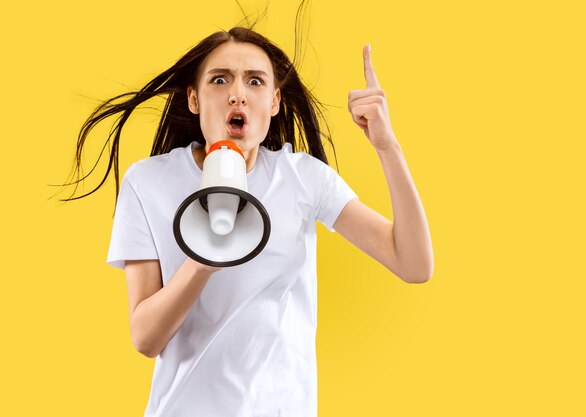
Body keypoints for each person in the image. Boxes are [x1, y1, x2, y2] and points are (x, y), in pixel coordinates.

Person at [65, 26, 433, 417]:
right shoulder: (148, 182)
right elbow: (145, 337)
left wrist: (387, 146)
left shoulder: (303, 178)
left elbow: (413, 264)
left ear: (274, 102)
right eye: (219, 79)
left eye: (254, 81)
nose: (237, 93)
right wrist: (204, 259)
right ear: (194, 98)